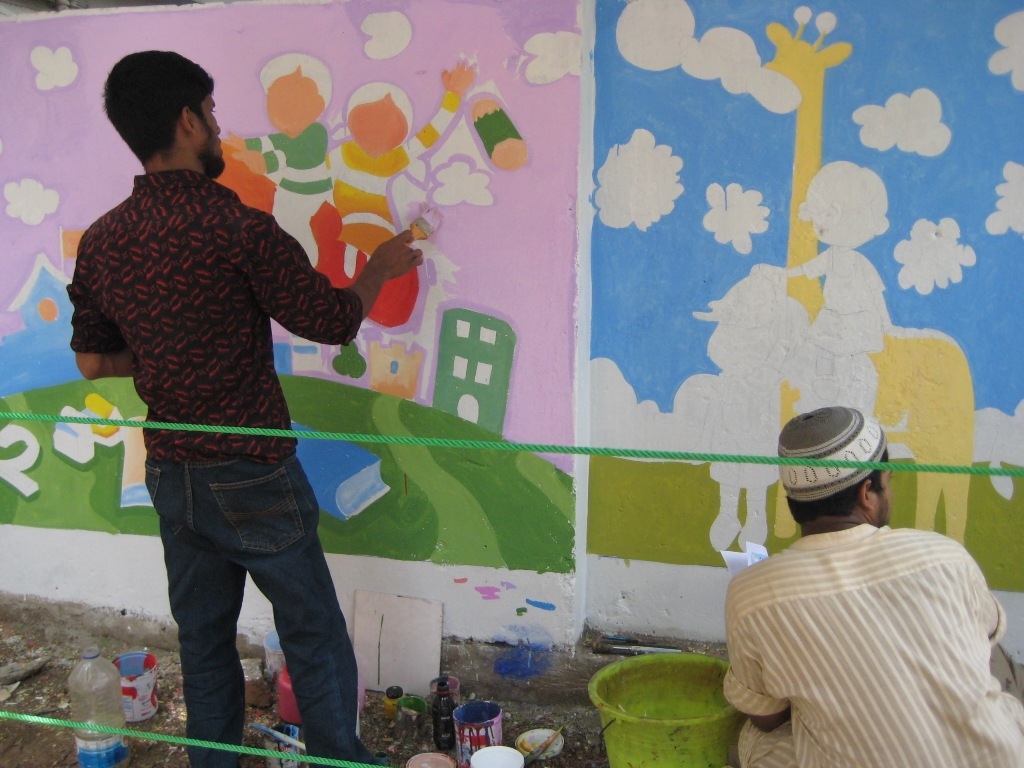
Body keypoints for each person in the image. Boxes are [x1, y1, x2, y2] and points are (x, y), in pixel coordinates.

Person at [67, 50, 422, 768]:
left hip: (172, 471)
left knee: (203, 644)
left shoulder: (104, 241)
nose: (220, 128)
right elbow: (329, 320)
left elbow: (95, 362)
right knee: (313, 633)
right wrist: (378, 268)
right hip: (253, 474)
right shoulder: (238, 229)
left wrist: (167, 348)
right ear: (188, 120)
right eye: (215, 114)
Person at [723, 406, 1024, 767]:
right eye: (889, 482)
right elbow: (989, 632)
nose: (890, 493)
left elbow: (766, 716)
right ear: (867, 492)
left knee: (751, 738)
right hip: (1003, 757)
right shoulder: (945, 555)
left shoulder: (752, 593)